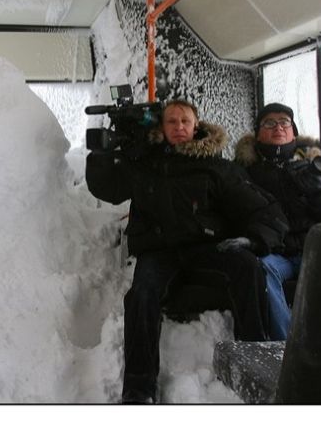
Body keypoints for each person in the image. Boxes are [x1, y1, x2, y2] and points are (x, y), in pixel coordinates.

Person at [86, 100, 287, 404]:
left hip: (207, 248)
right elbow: (107, 189)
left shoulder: (215, 166)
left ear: (196, 126)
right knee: (141, 294)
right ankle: (139, 390)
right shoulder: (144, 163)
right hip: (158, 252)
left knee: (248, 266)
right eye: (172, 122)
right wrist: (104, 152)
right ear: (162, 128)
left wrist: (255, 239)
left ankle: (256, 368)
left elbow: (260, 207)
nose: (179, 127)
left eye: (185, 121)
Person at [234, 103, 321, 340]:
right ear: (258, 134)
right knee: (263, 268)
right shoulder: (245, 174)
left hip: (313, 250)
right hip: (276, 254)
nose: (278, 127)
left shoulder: (313, 169)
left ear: (293, 132)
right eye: (269, 123)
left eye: (284, 122)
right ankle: (285, 346)